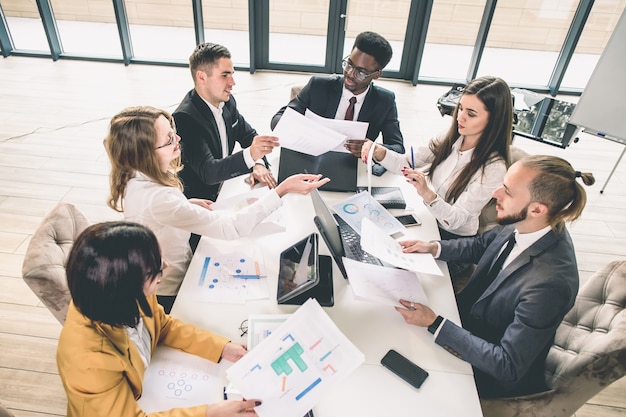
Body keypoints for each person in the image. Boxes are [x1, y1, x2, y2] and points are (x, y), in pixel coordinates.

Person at [394, 155, 595, 398]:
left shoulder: (551, 284)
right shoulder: (527, 221)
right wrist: (433, 247)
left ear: (537, 208)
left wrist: (435, 323)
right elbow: (481, 245)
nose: (496, 193)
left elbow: (507, 365)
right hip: (463, 324)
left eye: (507, 191)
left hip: (482, 370)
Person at [105, 106, 329, 313]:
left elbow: (153, 215)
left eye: (173, 131)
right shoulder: (159, 198)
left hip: (168, 269)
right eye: (169, 139)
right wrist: (282, 190)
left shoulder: (134, 175)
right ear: (146, 154)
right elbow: (230, 228)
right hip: (170, 292)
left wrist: (186, 205)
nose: (178, 138)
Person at [57, 221, 262, 416]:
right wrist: (209, 413)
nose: (166, 266)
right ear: (125, 285)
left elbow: (162, 325)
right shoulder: (90, 360)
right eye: (154, 268)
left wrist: (221, 347)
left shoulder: (128, 293)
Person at [361, 75, 512, 241]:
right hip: (429, 220)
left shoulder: (494, 168)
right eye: (460, 108)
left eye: (471, 114)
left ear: (493, 120)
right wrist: (379, 152)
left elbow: (455, 220)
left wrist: (427, 193)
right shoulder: (449, 138)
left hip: (453, 240)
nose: (460, 117)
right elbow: (405, 163)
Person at [270, 31, 405, 172]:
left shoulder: (385, 101)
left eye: (361, 72)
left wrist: (374, 148)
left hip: (352, 169)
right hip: (309, 162)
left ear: (376, 75)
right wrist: (308, 132)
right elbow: (277, 120)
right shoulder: (318, 86)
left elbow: (398, 149)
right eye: (349, 65)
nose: (350, 74)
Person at [173, 42, 278, 203]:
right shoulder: (185, 119)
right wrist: (251, 154)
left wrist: (258, 164)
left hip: (227, 187)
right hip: (201, 203)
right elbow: (209, 172)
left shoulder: (227, 102)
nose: (232, 82)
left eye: (232, 74)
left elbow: (249, 135)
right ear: (202, 77)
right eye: (224, 75)